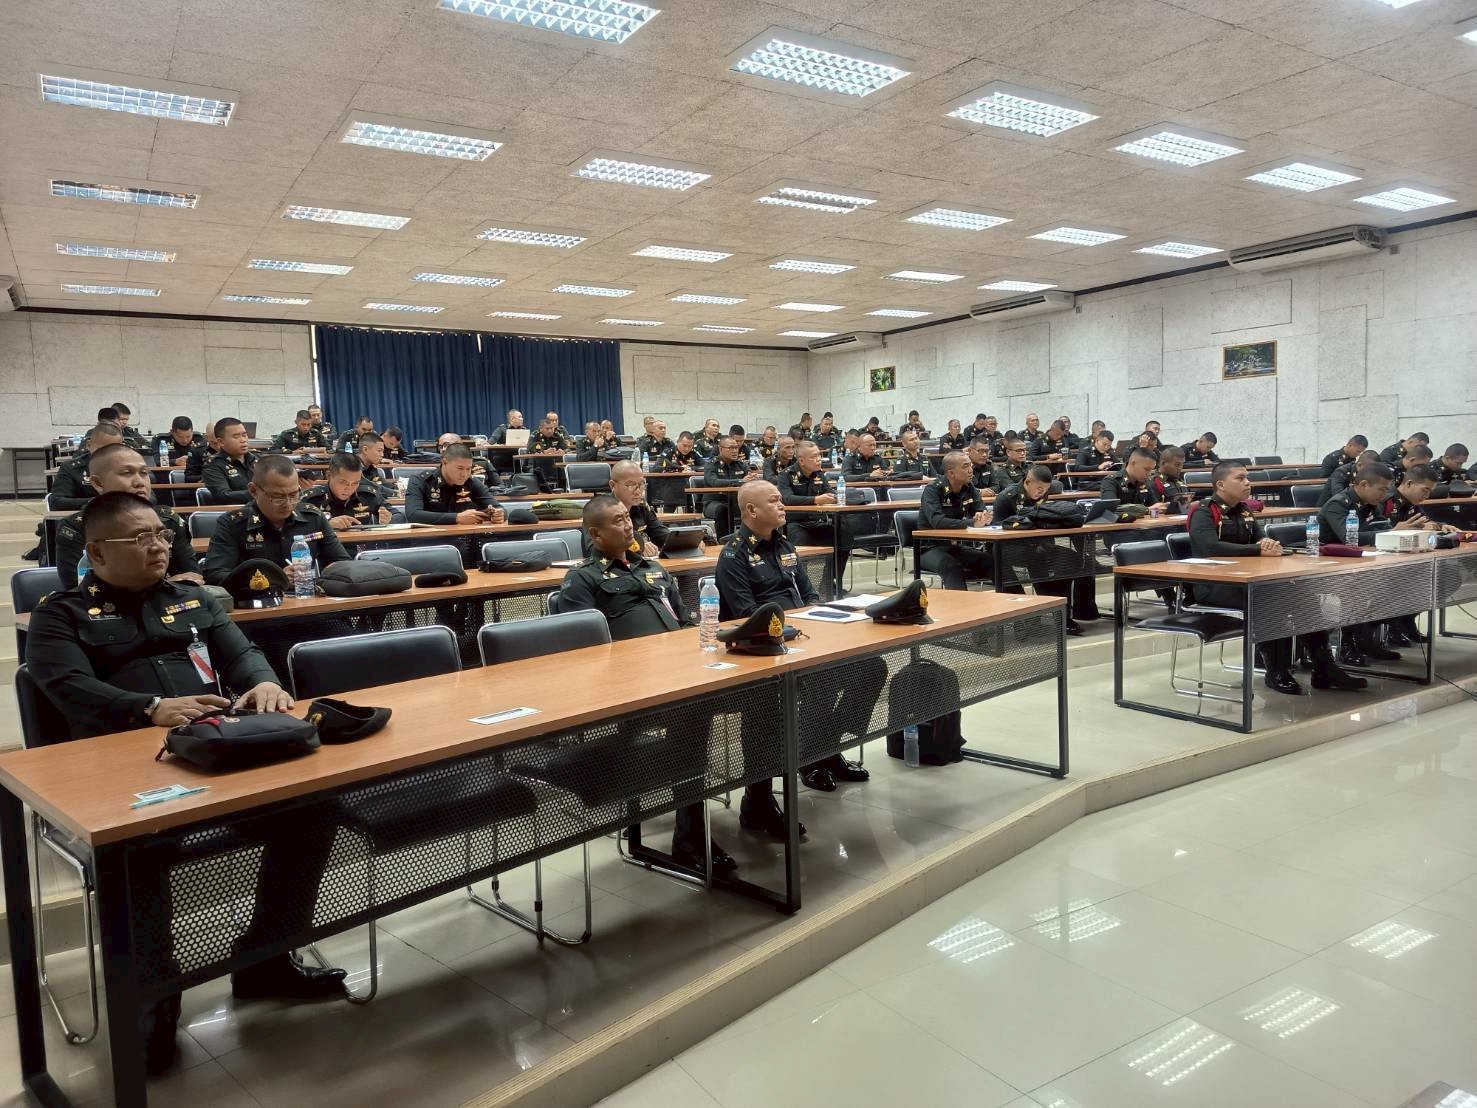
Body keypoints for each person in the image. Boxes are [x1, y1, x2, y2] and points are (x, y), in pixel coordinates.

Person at [29, 491, 350, 1074]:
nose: (159, 546)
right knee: (140, 850)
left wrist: (264, 683)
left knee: (311, 810)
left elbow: (242, 653)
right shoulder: (61, 613)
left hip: (208, 749)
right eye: (141, 538)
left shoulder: (192, 598)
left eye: (162, 534)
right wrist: (148, 707)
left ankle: (264, 960)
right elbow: (66, 686)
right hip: (117, 770)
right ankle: (154, 998)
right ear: (96, 552)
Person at [558, 496, 736, 875]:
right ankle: (689, 835)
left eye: (628, 518)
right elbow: (580, 647)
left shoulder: (652, 568)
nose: (629, 525)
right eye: (618, 521)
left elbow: (684, 620)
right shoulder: (582, 579)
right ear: (595, 534)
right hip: (629, 683)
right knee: (692, 713)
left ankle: (760, 800)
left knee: (761, 691)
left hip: (679, 669)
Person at [717, 481, 872, 808]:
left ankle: (823, 748)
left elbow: (809, 593)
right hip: (765, 646)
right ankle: (810, 758)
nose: (782, 505)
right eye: (774, 501)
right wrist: (792, 630)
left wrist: (822, 618)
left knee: (870, 667)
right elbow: (746, 615)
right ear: (751, 510)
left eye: (781, 500)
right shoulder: (734, 554)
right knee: (821, 680)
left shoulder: (785, 545)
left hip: (804, 632)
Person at [1189, 464, 1363, 694]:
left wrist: (1268, 544)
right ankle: (1276, 671)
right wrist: (1257, 549)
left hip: (1249, 579)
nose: (1247, 483)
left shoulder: (1243, 510)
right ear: (1220, 484)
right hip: (1215, 585)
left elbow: (1261, 538)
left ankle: (1324, 668)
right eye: (1240, 478)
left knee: (1306, 598)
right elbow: (1210, 547)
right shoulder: (1203, 512)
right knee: (1273, 601)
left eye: (1247, 478)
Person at [54, 444, 200, 589]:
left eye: (144, 473)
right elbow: (79, 589)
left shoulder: (167, 519)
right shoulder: (77, 527)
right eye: (127, 473)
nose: (139, 482)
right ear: (98, 483)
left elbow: (192, 578)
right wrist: (163, 587)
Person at [202, 454, 349, 583]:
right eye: (278, 497)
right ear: (253, 490)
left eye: (294, 495)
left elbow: (342, 562)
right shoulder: (233, 524)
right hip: (256, 601)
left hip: (307, 596)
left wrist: (330, 572)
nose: (288, 503)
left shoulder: (313, 517)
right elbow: (215, 575)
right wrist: (271, 578)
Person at [993, 465, 1098, 634]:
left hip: (1038, 545)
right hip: (1009, 548)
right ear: (1027, 482)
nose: (1042, 492)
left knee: (1070, 560)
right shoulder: (1007, 497)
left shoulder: (1043, 494)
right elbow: (996, 528)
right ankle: (1044, 617)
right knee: (1039, 560)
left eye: (1046, 489)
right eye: (1039, 488)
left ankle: (1063, 614)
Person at [1318, 463, 1403, 666]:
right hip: (1329, 565)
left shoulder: (1371, 504)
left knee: (1396, 585)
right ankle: (1348, 646)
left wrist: (1394, 532)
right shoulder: (1338, 504)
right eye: (1381, 489)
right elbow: (1350, 538)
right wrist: (1391, 533)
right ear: (1364, 484)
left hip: (1357, 561)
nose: (1384, 494)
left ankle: (1366, 640)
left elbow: (1380, 527)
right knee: (1358, 589)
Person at [778, 441, 861, 577]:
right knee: (799, 541)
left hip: (818, 522)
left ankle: (831, 580)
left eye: (819, 455)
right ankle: (800, 583)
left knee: (844, 535)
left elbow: (829, 492)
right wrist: (816, 500)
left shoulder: (819, 474)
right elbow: (787, 498)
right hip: (796, 523)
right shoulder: (786, 475)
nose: (818, 459)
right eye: (813, 457)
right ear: (801, 461)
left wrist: (833, 497)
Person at [918, 452, 991, 591]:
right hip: (929, 549)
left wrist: (984, 516)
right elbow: (937, 522)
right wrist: (972, 523)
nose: (971, 470)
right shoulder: (933, 490)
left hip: (956, 547)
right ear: (951, 473)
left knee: (991, 560)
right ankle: (961, 605)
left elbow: (981, 510)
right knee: (951, 565)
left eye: (970, 465)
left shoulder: (969, 487)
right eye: (965, 466)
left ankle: (1020, 601)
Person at [584, 460, 670, 557]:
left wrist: (679, 539)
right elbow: (592, 550)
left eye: (641, 484)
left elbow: (663, 536)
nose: (638, 491)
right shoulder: (599, 510)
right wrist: (637, 546)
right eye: (630, 485)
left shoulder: (641, 507)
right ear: (612, 485)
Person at [404, 445, 504, 525]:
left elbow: (499, 508)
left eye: (468, 469)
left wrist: (498, 515)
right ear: (444, 462)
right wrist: (456, 518)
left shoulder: (471, 482)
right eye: (460, 468)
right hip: (431, 539)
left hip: (466, 537)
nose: (464, 474)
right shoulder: (420, 481)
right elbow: (413, 515)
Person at [301, 452, 392, 530]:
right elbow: (296, 529)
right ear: (329, 476)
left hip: (360, 544)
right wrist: (326, 524)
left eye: (355, 483)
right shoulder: (311, 499)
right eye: (343, 482)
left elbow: (396, 514)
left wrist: (387, 518)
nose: (349, 488)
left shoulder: (367, 495)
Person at [50, 422, 125, 510]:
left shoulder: (128, 467)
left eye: (114, 449)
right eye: (101, 449)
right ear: (89, 445)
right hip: (84, 516)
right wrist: (95, 502)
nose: (107, 454)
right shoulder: (71, 468)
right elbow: (56, 502)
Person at [701, 435, 757, 536]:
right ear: (721, 449)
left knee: (756, 508)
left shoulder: (741, 464)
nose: (735, 451)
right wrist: (740, 481)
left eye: (736, 448)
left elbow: (750, 479)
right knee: (722, 510)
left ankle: (751, 540)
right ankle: (724, 541)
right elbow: (715, 482)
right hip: (714, 502)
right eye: (731, 448)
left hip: (736, 501)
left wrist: (752, 478)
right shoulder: (711, 464)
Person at [201, 417, 260, 505]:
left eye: (244, 435)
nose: (243, 440)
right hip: (236, 511)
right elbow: (223, 496)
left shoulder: (258, 459)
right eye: (236, 437)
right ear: (221, 442)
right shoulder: (213, 465)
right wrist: (260, 494)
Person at [1099, 448, 1166, 510]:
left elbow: (1154, 506)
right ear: (1133, 463)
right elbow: (1111, 509)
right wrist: (1146, 510)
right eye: (1146, 469)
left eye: (1151, 470)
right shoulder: (1111, 482)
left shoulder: (1144, 482)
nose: (1149, 474)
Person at [1151, 445, 1193, 511]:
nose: (1180, 468)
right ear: (1163, 463)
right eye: (1177, 464)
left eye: (1182, 464)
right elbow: (1154, 509)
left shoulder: (1180, 481)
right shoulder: (1154, 482)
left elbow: (1185, 506)